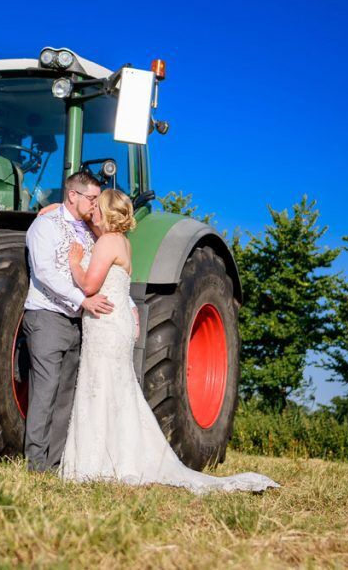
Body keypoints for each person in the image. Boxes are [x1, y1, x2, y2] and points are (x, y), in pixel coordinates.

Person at [59, 189, 279, 494]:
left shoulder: (107, 242)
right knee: (115, 387)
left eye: (97, 206)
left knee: (102, 384)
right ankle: (112, 456)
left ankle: (97, 461)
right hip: (116, 321)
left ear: (107, 212)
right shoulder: (122, 242)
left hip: (106, 323)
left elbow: (89, 284)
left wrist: (73, 263)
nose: (92, 210)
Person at [22, 171, 114, 473]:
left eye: (97, 200)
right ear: (72, 195)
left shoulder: (90, 232)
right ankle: (35, 464)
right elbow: (45, 273)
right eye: (91, 198)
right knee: (45, 391)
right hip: (47, 316)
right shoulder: (45, 226)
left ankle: (55, 462)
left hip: (78, 323)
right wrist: (81, 299)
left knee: (65, 397)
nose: (94, 204)